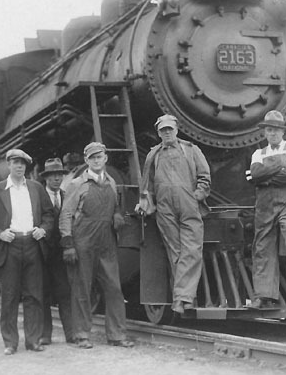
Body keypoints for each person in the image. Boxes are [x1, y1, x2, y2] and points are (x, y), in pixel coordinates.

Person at [59, 142, 134, 349]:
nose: (96, 160)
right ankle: (82, 335)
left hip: (106, 241)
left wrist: (117, 213)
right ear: (86, 160)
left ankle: (117, 335)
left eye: (99, 156)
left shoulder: (111, 182)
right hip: (83, 242)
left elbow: (114, 205)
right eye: (92, 157)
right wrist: (68, 243)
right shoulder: (77, 184)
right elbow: (66, 214)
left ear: (105, 158)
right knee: (82, 289)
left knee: (114, 288)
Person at [0, 149, 54, 354]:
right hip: (9, 246)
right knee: (9, 296)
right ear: (8, 165)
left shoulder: (36, 188)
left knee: (34, 295)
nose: (19, 166)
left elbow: (48, 214)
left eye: (22, 163)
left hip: (32, 244)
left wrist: (43, 229)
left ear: (26, 166)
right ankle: (10, 343)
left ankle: (33, 341)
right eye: (15, 162)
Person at [136, 114, 211, 314]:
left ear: (176, 130)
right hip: (165, 208)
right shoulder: (153, 155)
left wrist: (197, 195)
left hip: (188, 204)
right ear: (158, 133)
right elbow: (147, 183)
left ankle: (182, 297)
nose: (167, 133)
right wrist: (145, 203)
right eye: (163, 130)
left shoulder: (191, 150)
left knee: (192, 249)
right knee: (175, 251)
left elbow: (204, 176)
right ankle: (183, 298)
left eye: (170, 129)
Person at [247, 110, 286, 309]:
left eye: (276, 130)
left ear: (282, 131)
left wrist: (267, 179)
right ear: (265, 132)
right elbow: (255, 173)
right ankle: (263, 295)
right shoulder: (257, 154)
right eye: (269, 130)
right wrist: (280, 166)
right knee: (262, 245)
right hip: (265, 204)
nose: (272, 133)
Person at [39, 157, 74, 344]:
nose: (56, 179)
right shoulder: (38, 197)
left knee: (65, 292)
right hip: (42, 254)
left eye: (59, 175)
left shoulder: (66, 195)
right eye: (52, 175)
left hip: (61, 254)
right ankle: (45, 335)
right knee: (43, 293)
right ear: (46, 177)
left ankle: (71, 333)